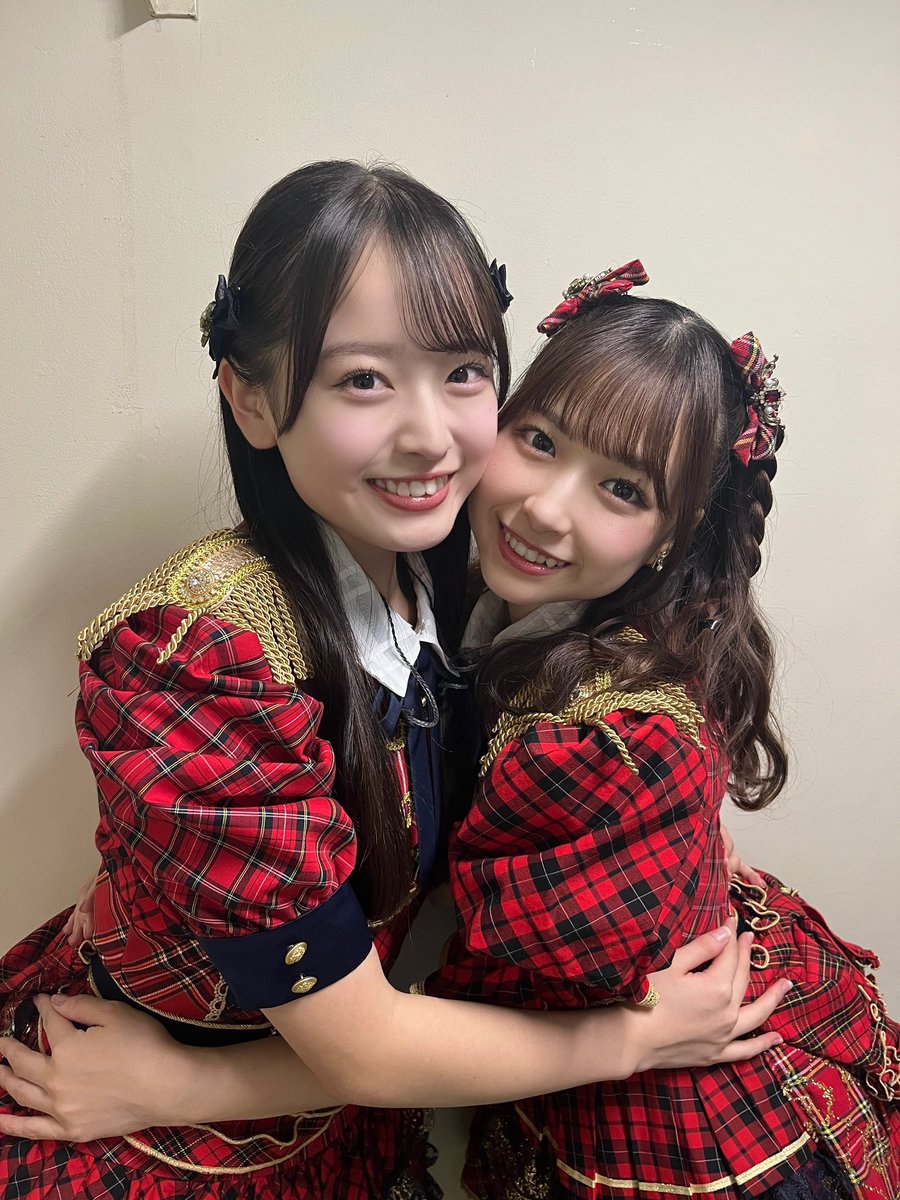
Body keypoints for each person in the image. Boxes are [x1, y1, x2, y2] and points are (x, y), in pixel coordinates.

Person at [0, 172, 788, 1200]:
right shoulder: (199, 656)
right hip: (143, 1097)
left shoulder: (455, 568)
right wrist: (632, 1039)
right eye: (365, 380)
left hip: (321, 1090)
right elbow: (360, 1044)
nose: (430, 437)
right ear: (250, 396)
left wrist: (676, 841)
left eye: (463, 373)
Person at [421, 262, 900, 1199]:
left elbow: (484, 991)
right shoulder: (508, 610)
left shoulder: (616, 742)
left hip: (699, 1135)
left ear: (672, 536)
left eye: (622, 490)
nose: (545, 508)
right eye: (539, 439)